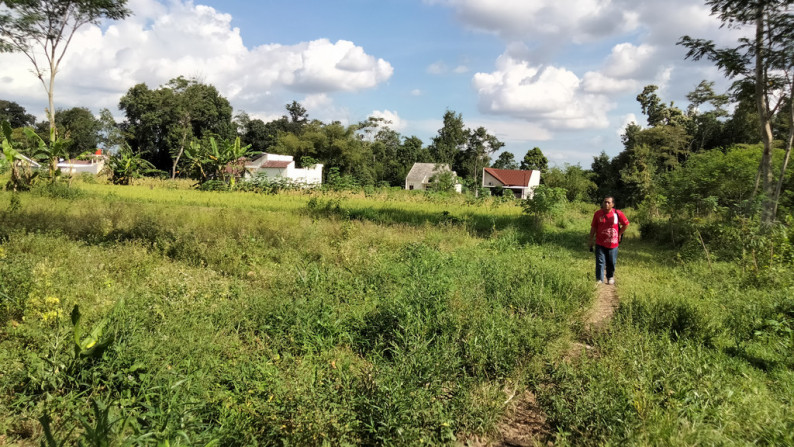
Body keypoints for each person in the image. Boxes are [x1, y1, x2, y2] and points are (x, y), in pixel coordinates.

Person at [588, 196, 629, 285]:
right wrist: (591, 239)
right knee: (600, 261)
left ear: (613, 204)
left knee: (611, 262)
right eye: (605, 202)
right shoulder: (598, 214)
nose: (606, 204)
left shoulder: (618, 214)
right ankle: (599, 279)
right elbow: (594, 227)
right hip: (600, 242)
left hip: (613, 243)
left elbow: (626, 224)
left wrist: (619, 233)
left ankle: (610, 276)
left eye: (608, 203)